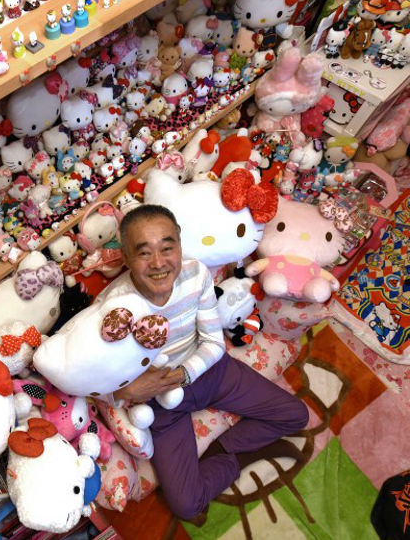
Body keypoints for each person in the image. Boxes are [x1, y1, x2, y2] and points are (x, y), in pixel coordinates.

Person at [96, 204, 309, 521]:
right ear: (126, 258)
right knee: (186, 505)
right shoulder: (111, 309)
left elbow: (213, 342)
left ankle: (225, 449)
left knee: (296, 416)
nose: (158, 263)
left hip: (211, 372)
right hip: (162, 404)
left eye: (167, 248)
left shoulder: (195, 274)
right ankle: (229, 464)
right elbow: (94, 381)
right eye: (144, 253)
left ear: (179, 245)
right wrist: (127, 390)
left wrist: (183, 376)